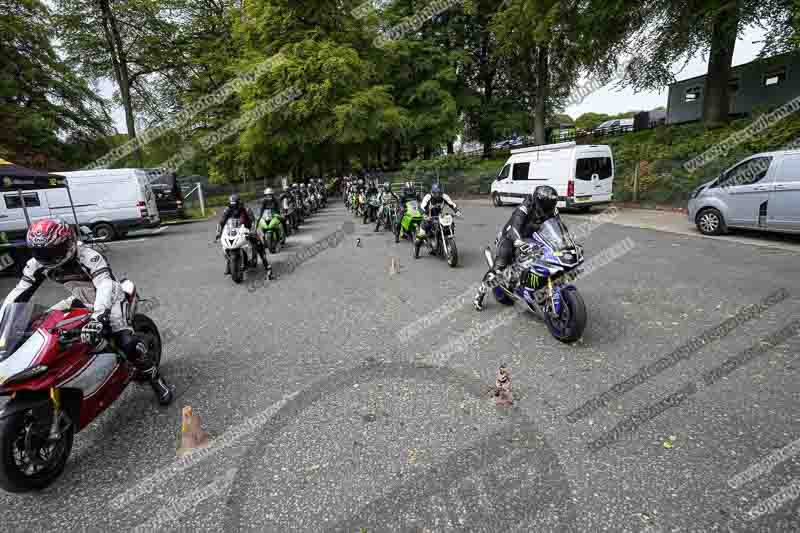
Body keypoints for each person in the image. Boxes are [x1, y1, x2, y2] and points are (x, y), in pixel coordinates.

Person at [2, 218, 173, 405]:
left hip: (110, 298)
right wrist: (3, 322)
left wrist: (98, 317)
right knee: (39, 327)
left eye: (53, 251)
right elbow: (18, 294)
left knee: (126, 342)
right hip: (80, 299)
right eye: (41, 252)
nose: (48, 257)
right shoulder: (36, 264)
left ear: (68, 242)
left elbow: (105, 285)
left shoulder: (88, 255)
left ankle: (155, 379)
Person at [473, 185, 559, 311]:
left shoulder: (552, 210)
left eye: (550, 206)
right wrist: (518, 241)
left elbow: (558, 227)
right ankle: (480, 294)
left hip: (532, 237)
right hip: (511, 237)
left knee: (548, 257)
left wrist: (565, 241)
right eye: (545, 206)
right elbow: (514, 227)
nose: (547, 210)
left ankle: (536, 286)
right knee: (498, 269)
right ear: (537, 202)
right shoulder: (524, 208)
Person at [215, 194, 271, 278]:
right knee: (226, 246)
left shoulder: (246, 209)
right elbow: (222, 221)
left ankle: (267, 265)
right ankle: (229, 263)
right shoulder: (227, 210)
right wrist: (219, 232)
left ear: (239, 203)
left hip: (246, 229)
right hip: (234, 231)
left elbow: (253, 221)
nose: (234, 207)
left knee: (258, 242)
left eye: (235, 205)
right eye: (232, 205)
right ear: (230, 204)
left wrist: (253, 230)